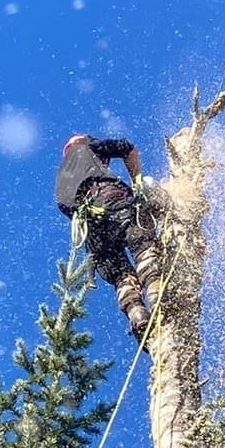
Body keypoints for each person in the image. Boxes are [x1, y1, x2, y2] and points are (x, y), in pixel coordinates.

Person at [55, 133, 165, 343]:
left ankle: (137, 316)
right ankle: (156, 293)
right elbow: (126, 147)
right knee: (143, 246)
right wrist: (137, 182)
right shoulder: (87, 148)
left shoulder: (63, 176)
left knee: (121, 275)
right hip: (111, 199)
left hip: (90, 228)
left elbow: (64, 206)